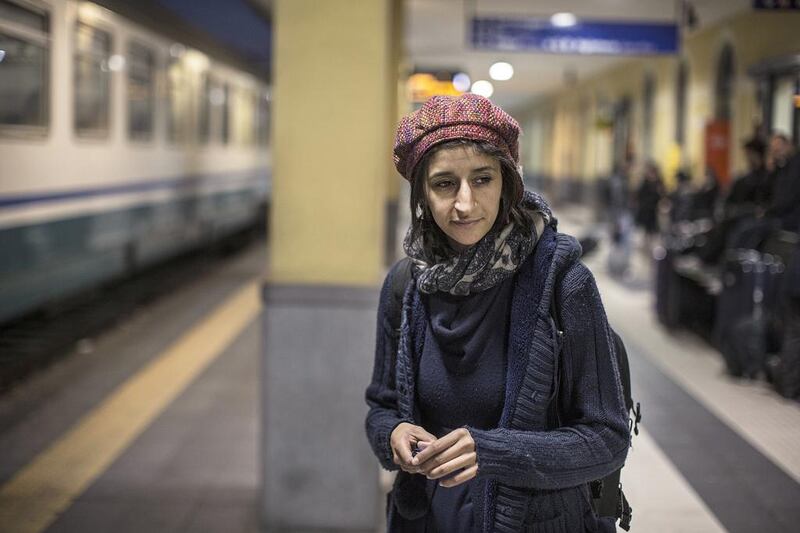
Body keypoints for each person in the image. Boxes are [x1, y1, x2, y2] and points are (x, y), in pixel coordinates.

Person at [365, 94, 630, 532]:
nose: (464, 204)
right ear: (422, 195)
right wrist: (392, 435)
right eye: (444, 184)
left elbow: (607, 438)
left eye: (482, 179)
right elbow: (381, 405)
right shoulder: (406, 286)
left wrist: (491, 453)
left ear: (508, 183)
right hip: (427, 519)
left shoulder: (563, 285)